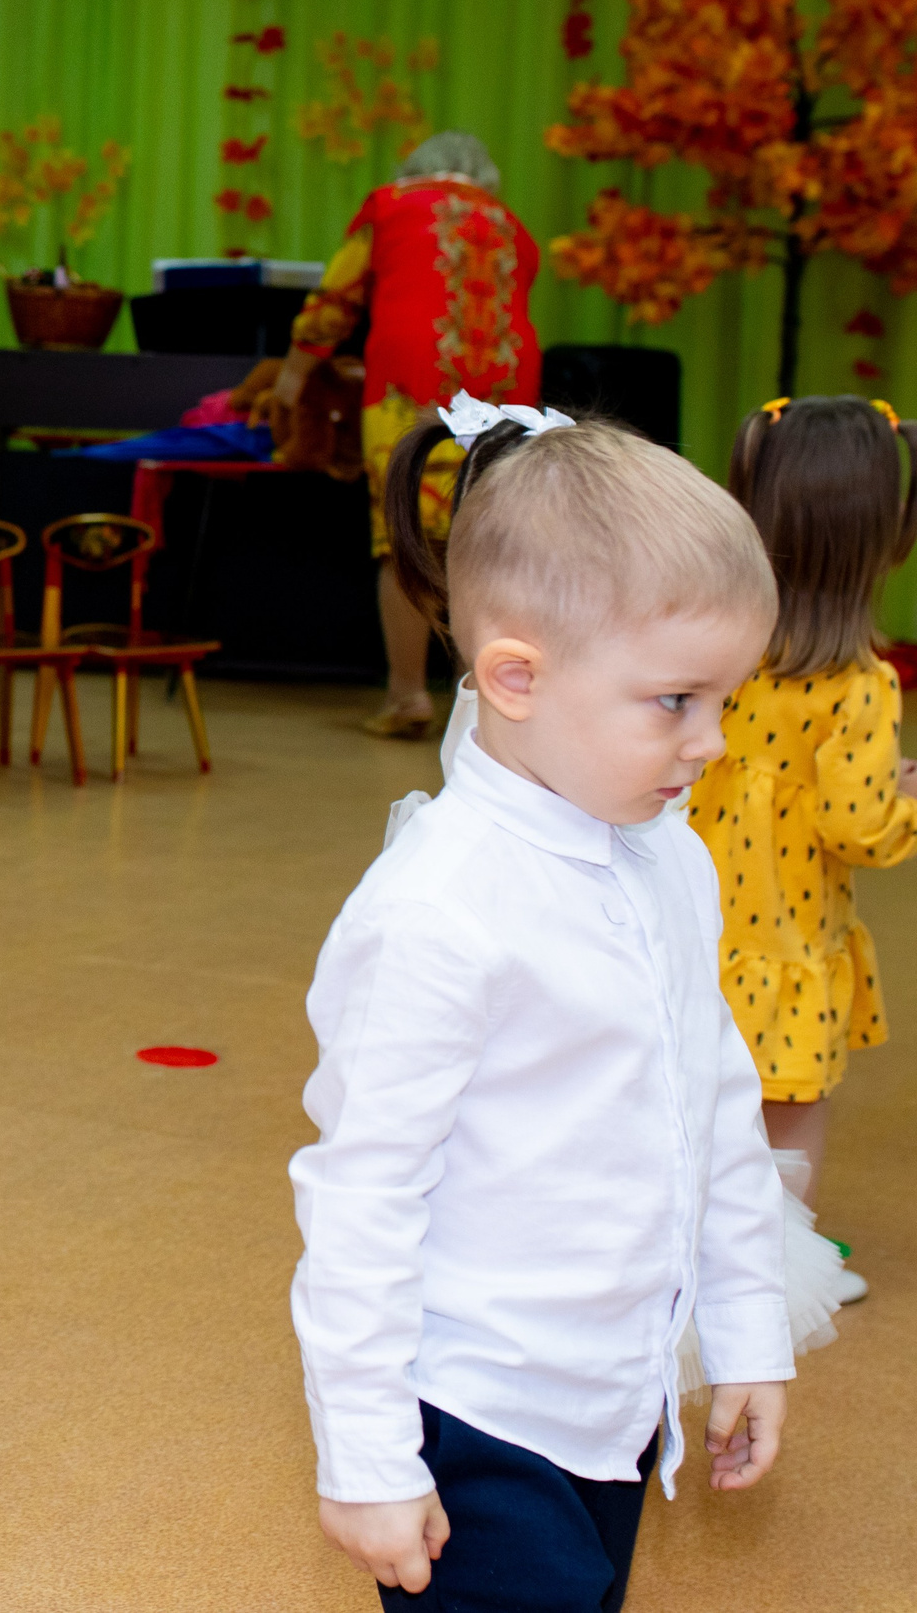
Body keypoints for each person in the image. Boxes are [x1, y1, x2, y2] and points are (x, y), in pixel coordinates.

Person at [292, 411, 795, 1608]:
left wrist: (746, 1333)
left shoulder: (670, 860)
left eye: (724, 700)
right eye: (674, 701)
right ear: (516, 677)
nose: (711, 742)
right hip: (474, 1408)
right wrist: (366, 1456)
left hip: (612, 1400)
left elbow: (715, 1111)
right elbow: (362, 1197)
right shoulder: (438, 910)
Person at [690, 394, 917, 1304]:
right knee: (788, 1115)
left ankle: (688, 1249)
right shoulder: (861, 685)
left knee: (700, 1101)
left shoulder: (718, 644)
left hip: (699, 925)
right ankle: (777, 1278)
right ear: (881, 536)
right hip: (787, 944)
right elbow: (859, 828)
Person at [256, 131, 541, 740]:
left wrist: (295, 372)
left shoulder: (389, 205)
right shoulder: (510, 224)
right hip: (505, 394)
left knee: (407, 540)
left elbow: (337, 297)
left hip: (414, 385)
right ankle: (482, 709)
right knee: (485, 547)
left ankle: (408, 696)